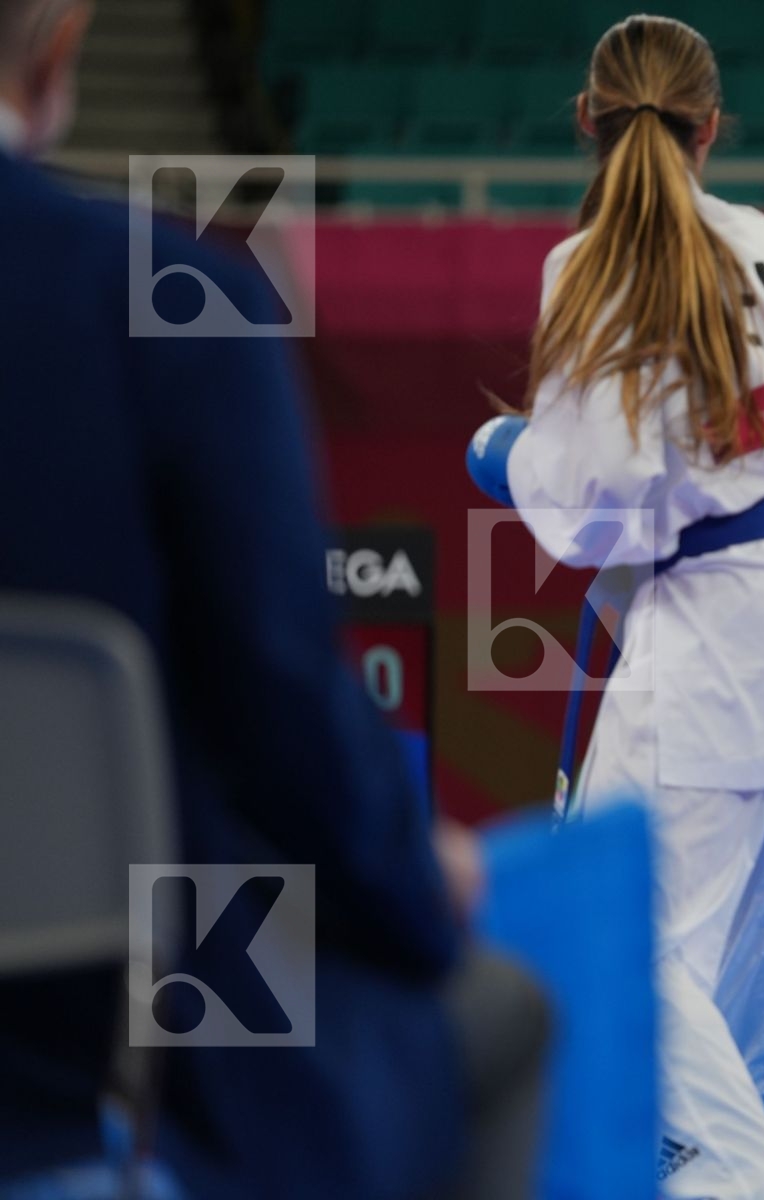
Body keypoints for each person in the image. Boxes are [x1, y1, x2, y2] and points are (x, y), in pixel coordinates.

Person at [0, 1, 549, 1197]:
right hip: (111, 1050)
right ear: (57, 50)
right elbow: (284, 706)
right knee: (503, 1017)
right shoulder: (174, 303)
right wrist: (417, 884)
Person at [462, 16, 764, 1199]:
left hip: (712, 624)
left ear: (588, 120)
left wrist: (514, 457)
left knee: (617, 926)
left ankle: (744, 1175)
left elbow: (593, 508)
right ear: (711, 127)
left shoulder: (585, 268)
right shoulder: (756, 243)